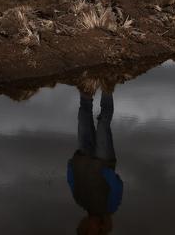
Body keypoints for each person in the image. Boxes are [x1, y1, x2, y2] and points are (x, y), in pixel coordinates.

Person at [67, 78, 123, 235]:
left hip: (83, 157)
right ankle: (107, 84)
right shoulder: (110, 207)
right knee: (103, 122)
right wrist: (105, 172)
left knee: (83, 114)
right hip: (102, 161)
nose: (86, 229)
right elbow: (117, 186)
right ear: (99, 229)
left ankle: (87, 85)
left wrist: (70, 167)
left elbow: (72, 182)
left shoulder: (80, 202)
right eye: (88, 232)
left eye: (84, 230)